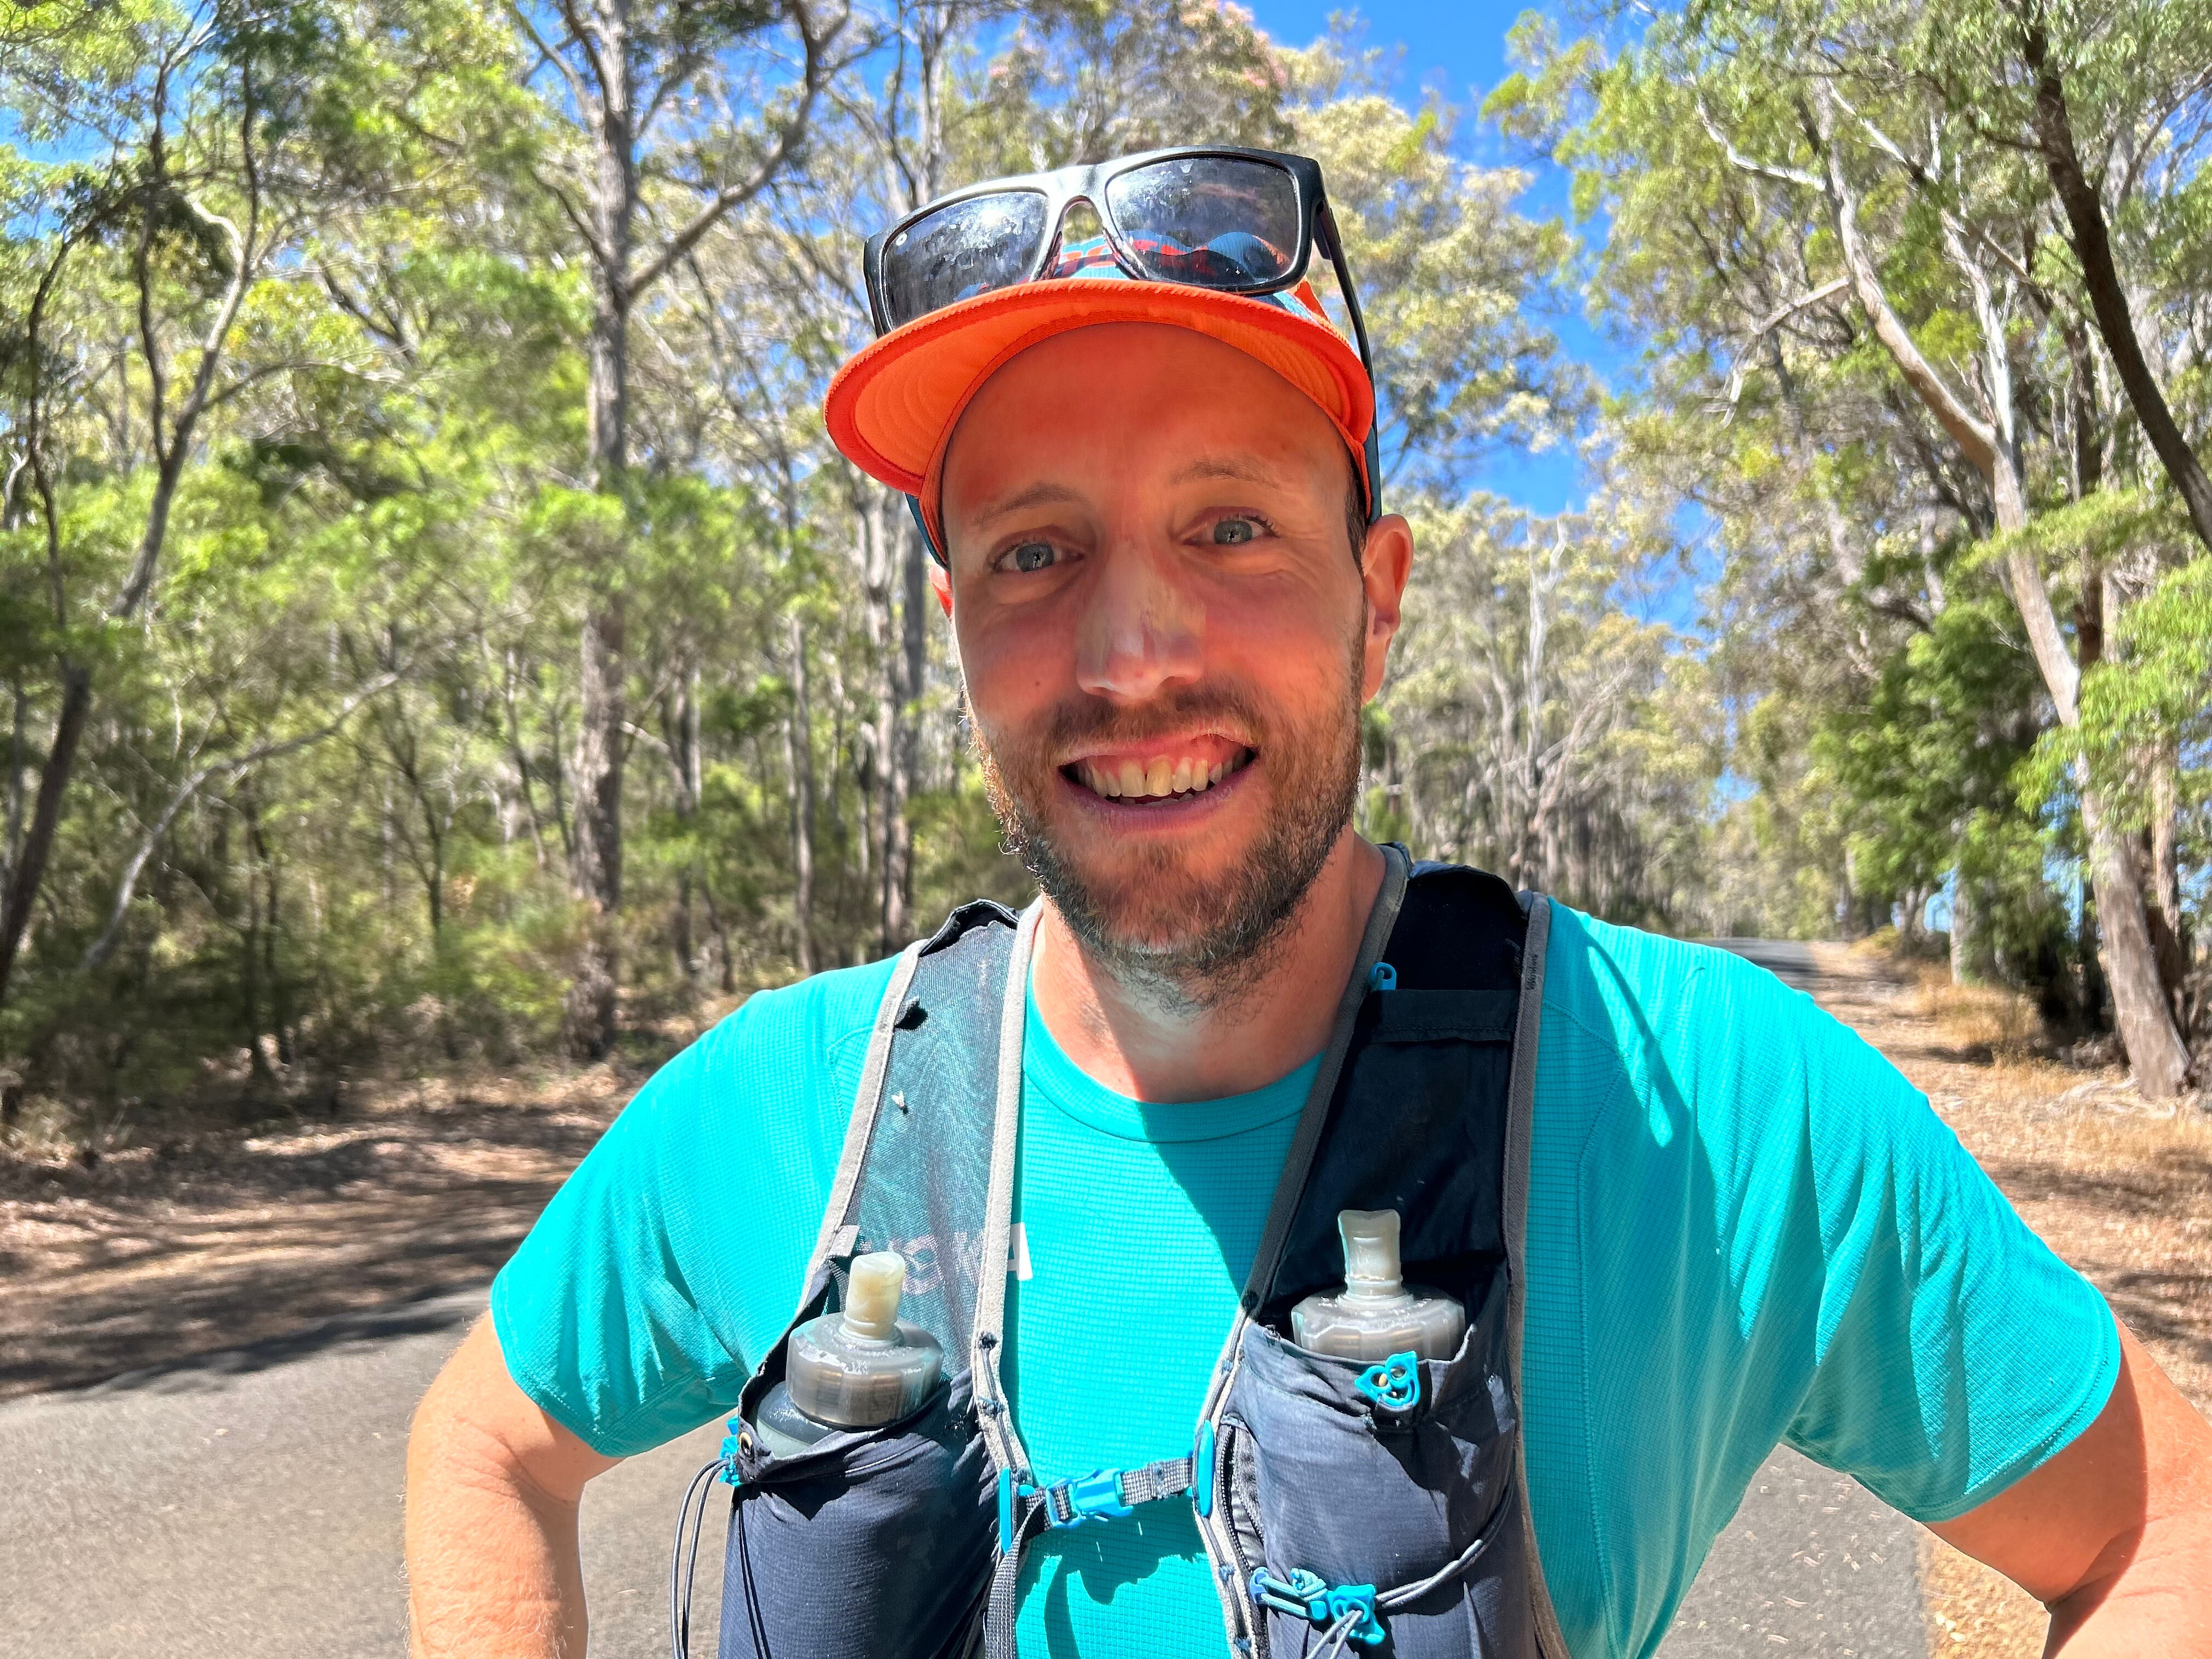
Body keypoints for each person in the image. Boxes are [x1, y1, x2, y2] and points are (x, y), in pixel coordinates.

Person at [404, 148, 2212, 1659]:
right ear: (957, 629)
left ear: (1380, 600)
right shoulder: (784, 1103)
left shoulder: (1709, 1102)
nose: (1132, 652)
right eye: (1035, 551)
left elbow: (2159, 1526)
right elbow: (483, 1447)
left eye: (1231, 528)